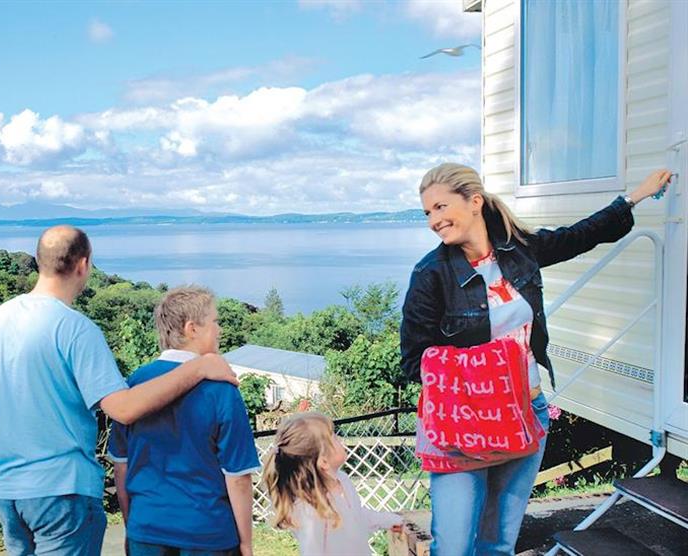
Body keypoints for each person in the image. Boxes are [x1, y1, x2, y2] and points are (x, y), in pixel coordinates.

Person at [399, 163, 672, 555]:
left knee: (498, 544)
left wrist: (633, 197)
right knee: (454, 547)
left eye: (441, 207)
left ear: (474, 201)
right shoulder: (430, 274)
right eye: (428, 213)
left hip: (525, 412)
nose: (435, 221)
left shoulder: (518, 250)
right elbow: (413, 360)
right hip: (460, 426)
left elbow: (580, 236)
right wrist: (485, 372)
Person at [0, 226, 239, 556]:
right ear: (83, 265)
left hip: (9, 490)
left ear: (39, 261)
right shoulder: (75, 329)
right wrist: (198, 366)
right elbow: (123, 408)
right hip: (63, 490)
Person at [109, 286, 260, 556]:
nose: (220, 330)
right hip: (208, 532)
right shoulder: (222, 389)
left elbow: (121, 466)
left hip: (147, 527)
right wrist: (246, 543)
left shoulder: (134, 385)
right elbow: (238, 477)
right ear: (192, 329)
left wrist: (133, 526)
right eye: (215, 322)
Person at [262, 412, 402, 555]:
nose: (339, 438)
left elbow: (356, 517)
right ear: (323, 461)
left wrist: (390, 520)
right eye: (333, 436)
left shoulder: (342, 481)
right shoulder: (311, 511)